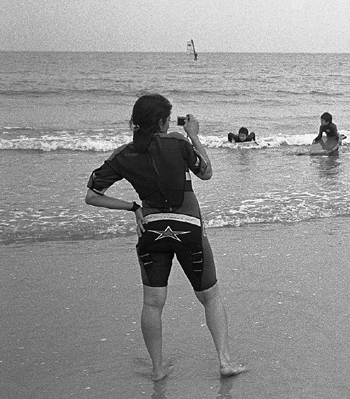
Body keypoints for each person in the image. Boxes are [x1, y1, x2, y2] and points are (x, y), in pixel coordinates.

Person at [85, 94, 246, 381]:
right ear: (161, 122)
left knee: (152, 303)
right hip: (188, 228)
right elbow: (206, 172)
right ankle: (225, 362)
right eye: (168, 119)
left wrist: (133, 207)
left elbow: (92, 196)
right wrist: (194, 135)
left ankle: (158, 369)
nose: (170, 123)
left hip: (152, 231)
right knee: (209, 296)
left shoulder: (124, 154)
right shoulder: (178, 142)